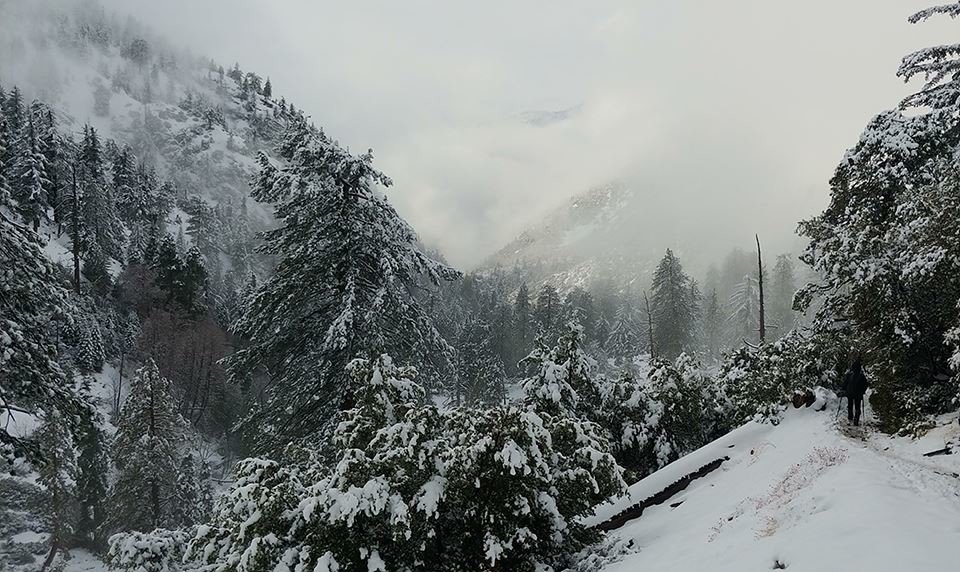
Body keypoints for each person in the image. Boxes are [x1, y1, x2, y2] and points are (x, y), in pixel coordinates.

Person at [843, 358, 868, 426]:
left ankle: (850, 418)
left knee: (850, 405)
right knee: (857, 406)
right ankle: (856, 419)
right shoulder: (862, 376)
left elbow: (845, 383)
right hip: (858, 394)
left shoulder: (849, 374)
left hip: (850, 392)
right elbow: (865, 385)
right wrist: (863, 391)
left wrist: (844, 389)